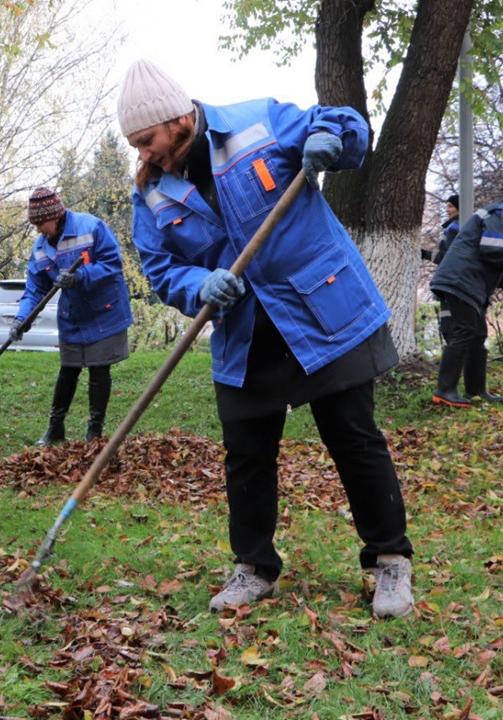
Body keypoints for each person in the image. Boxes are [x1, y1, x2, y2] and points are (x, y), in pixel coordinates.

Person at [117, 59, 414, 618]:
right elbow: (161, 269)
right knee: (247, 455)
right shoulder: (151, 193)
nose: (145, 154)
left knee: (353, 438)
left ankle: (390, 560)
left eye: (147, 140)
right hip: (245, 333)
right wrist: (199, 284)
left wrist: (333, 138)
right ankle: (254, 568)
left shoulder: (257, 122)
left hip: (320, 312)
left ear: (177, 120)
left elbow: (345, 125)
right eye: (136, 145)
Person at [10, 187, 134, 444]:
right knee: (68, 369)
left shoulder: (91, 227)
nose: (39, 230)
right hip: (73, 316)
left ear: (56, 215)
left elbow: (112, 265)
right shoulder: (40, 248)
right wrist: (22, 319)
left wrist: (80, 276)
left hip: (105, 311)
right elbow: (34, 290)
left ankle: (94, 432)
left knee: (99, 370)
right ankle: (55, 428)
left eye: (41, 224)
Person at [429, 179, 503, 407]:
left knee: (478, 334)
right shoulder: (499, 214)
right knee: (465, 330)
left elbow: (495, 262)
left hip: (467, 282)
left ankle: (476, 390)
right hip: (461, 281)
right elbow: (491, 252)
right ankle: (445, 390)